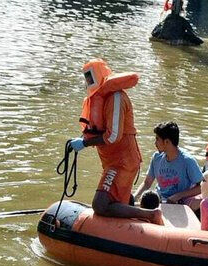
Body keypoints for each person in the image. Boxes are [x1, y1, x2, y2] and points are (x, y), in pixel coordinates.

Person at [68, 58, 162, 224]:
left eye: (90, 78)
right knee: (112, 201)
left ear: (99, 75)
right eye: (86, 78)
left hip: (122, 162)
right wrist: (82, 140)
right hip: (114, 162)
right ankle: (132, 216)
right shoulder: (101, 98)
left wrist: (84, 143)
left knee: (100, 205)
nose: (88, 82)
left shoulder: (116, 97)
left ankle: (151, 215)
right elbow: (99, 131)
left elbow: (113, 136)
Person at [134, 121, 203, 212]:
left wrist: (178, 195)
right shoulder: (156, 157)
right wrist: (134, 198)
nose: (155, 143)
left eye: (157, 139)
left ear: (166, 142)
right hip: (160, 200)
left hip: (180, 202)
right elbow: (147, 183)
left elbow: (201, 187)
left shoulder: (188, 160)